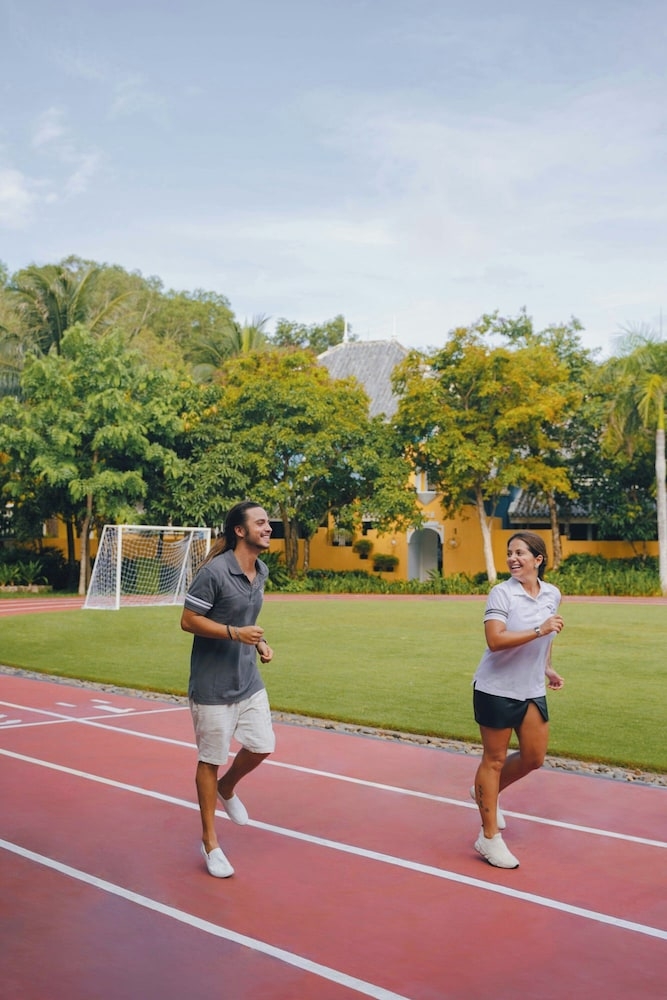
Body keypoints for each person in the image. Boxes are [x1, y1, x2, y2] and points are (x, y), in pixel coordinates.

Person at [181, 501, 275, 878]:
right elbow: (188, 620)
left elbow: (245, 618)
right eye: (261, 522)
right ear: (240, 530)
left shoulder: (261, 571)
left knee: (263, 745)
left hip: (247, 679)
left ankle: (227, 787)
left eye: (268, 522)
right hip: (212, 686)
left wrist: (259, 642)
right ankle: (210, 843)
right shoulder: (215, 573)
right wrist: (236, 634)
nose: (268, 527)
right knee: (210, 759)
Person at [470, 531, 564, 869]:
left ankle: (485, 790)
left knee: (534, 757)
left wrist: (547, 666)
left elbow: (548, 636)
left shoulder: (552, 594)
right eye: (510, 552)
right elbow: (495, 640)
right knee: (494, 760)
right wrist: (539, 629)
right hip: (495, 688)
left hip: (531, 689)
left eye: (520, 553)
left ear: (538, 559)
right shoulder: (502, 593)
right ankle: (489, 837)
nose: (512, 558)